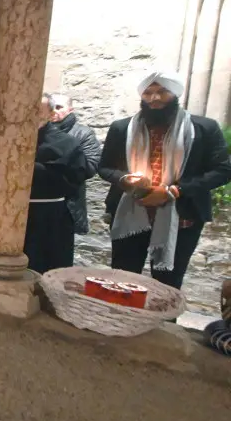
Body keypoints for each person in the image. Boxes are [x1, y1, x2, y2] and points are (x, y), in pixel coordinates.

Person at [98, 70, 231, 290]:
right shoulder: (121, 128)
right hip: (130, 213)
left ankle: (163, 325)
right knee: (122, 279)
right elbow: (104, 167)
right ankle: (121, 322)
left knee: (167, 286)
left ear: (175, 93)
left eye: (162, 91)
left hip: (182, 218)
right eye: (148, 92)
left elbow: (223, 170)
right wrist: (124, 179)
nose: (154, 98)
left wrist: (173, 191)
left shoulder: (203, 129)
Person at [24, 95, 89, 274]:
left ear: (50, 114)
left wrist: (30, 168)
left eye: (38, 110)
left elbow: (74, 179)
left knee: (44, 268)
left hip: (49, 216)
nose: (31, 114)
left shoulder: (67, 143)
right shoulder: (10, 140)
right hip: (13, 213)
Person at [49, 93, 102, 235]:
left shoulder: (83, 134)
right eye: (51, 107)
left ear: (70, 110)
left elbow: (90, 167)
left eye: (59, 107)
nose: (54, 110)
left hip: (68, 203)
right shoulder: (35, 130)